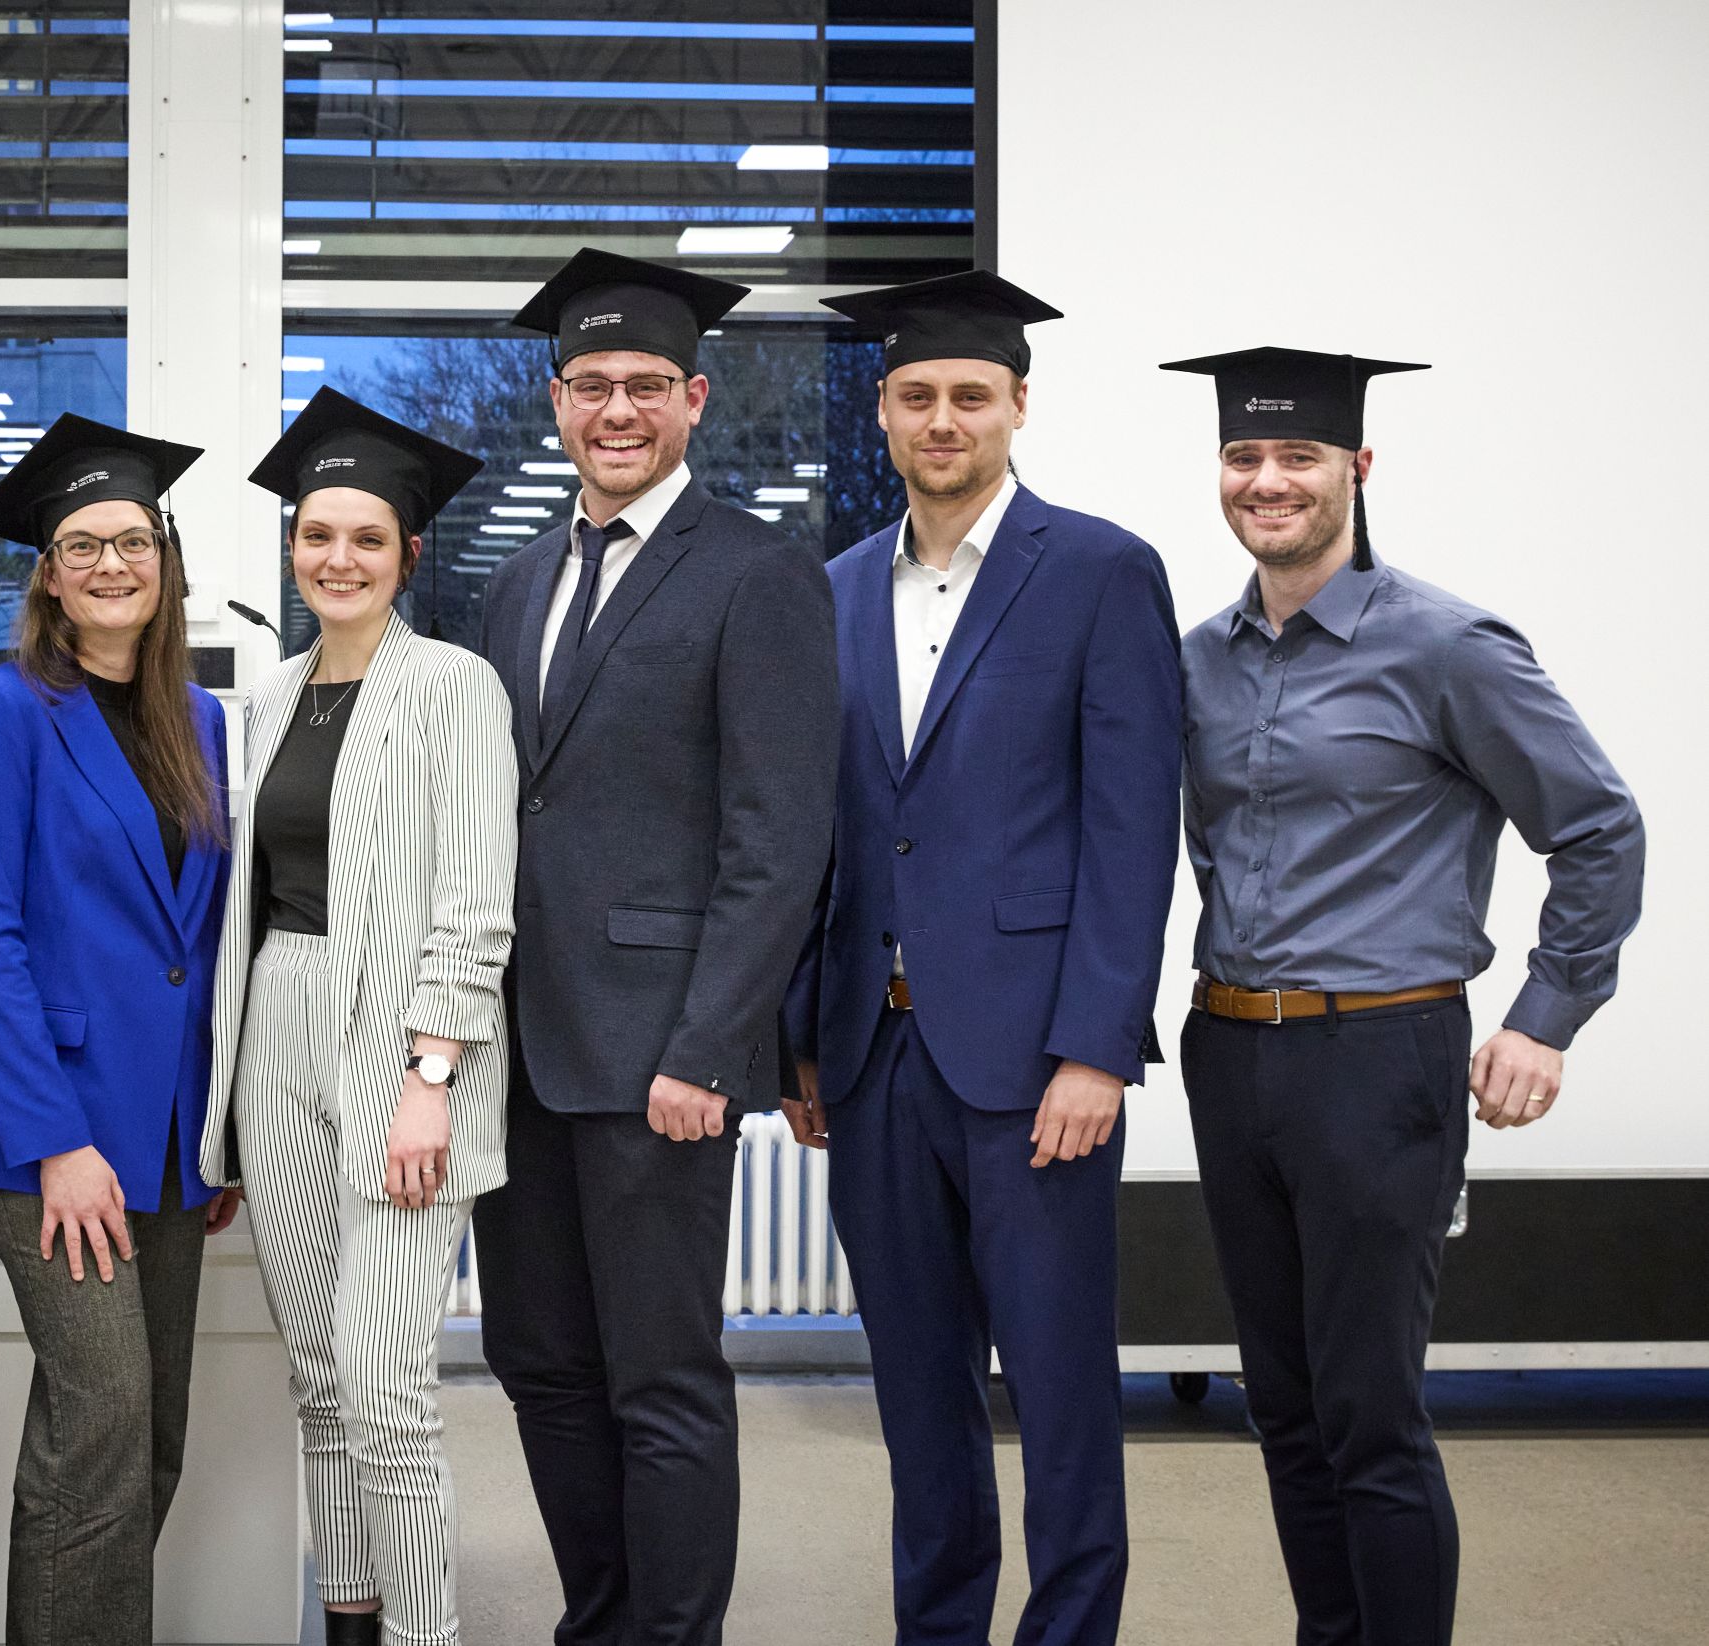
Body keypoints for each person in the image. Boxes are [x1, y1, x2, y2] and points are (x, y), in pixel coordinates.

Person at [1162, 345, 1645, 1646]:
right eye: (1245, 457)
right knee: (1286, 1403)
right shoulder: (1197, 660)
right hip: (1232, 1052)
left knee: (1370, 1413)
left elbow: (1599, 828)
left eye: (1299, 456)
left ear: (1356, 470)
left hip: (1381, 1059)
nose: (1269, 480)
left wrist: (1547, 1014)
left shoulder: (1448, 645)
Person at [782, 271, 1183, 1646]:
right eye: (915, 397)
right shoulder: (831, 589)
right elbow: (820, 835)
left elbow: (1133, 829)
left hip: (1032, 1061)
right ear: (881, 415)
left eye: (969, 395)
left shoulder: (1100, 571)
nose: (941, 418)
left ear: (1019, 405)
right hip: (874, 1052)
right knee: (916, 1390)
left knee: (1062, 1387)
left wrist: (1096, 1044)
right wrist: (800, 1038)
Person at [470, 247, 839, 1645]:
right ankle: (602, 1616)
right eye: (588, 385)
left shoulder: (758, 574)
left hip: (662, 1057)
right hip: (525, 1050)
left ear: (693, 396)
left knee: (662, 1379)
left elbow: (779, 837)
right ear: (554, 399)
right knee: (543, 1364)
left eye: (643, 386)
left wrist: (711, 1046)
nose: (614, 409)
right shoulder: (514, 582)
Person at [201, 388, 517, 1646]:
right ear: (293, 547)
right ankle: (348, 1617)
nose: (336, 557)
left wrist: (429, 1070)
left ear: (408, 557)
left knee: (388, 1386)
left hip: (403, 1042)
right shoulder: (267, 700)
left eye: (365, 539)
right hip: (276, 1021)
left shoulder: (455, 687)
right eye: (315, 534)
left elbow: (476, 897)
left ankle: (425, 1633)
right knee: (320, 1381)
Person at [0, 413, 241, 1646]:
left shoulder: (202, 722)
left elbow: (203, 943)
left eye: (132, 541)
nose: (111, 563)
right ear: (48, 574)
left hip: (167, 1134)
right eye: (81, 545)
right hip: (51, 1130)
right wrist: (55, 1139)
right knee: (99, 1414)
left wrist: (210, 1126)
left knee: (146, 1430)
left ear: (162, 563)